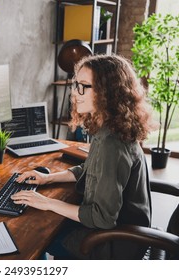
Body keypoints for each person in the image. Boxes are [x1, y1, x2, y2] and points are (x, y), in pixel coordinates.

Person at [11, 54, 156, 259]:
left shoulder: (111, 143)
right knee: (44, 216)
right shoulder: (110, 128)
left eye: (83, 86)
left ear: (108, 92)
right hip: (119, 233)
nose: (75, 93)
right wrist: (48, 178)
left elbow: (102, 218)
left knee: (34, 234)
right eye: (76, 84)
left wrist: (47, 202)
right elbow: (90, 168)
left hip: (114, 244)